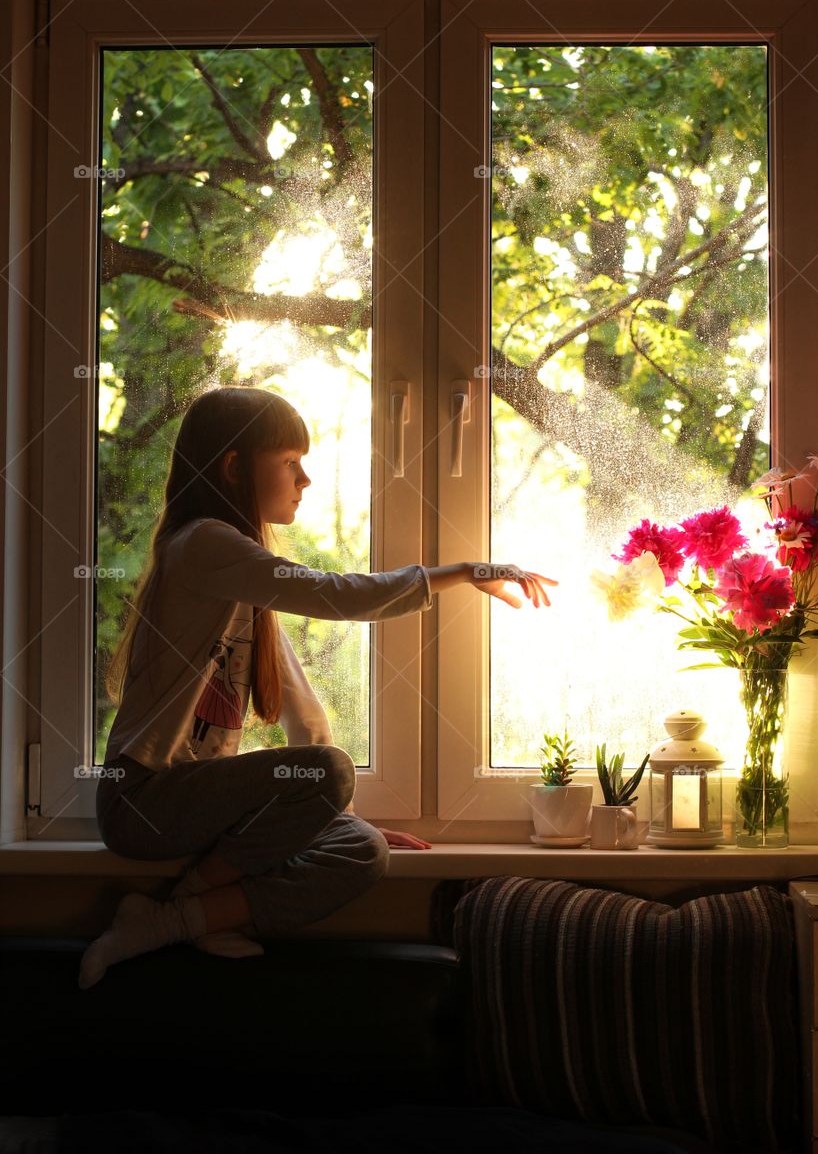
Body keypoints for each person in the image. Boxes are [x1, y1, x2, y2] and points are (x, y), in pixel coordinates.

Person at [79, 386, 558, 989]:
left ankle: (173, 917)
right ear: (234, 466)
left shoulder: (242, 581)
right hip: (141, 801)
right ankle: (184, 905)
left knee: (362, 848)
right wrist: (465, 571)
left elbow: (303, 715)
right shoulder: (201, 543)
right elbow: (338, 595)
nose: (304, 479)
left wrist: (335, 811)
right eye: (289, 462)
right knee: (330, 770)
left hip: (196, 806)